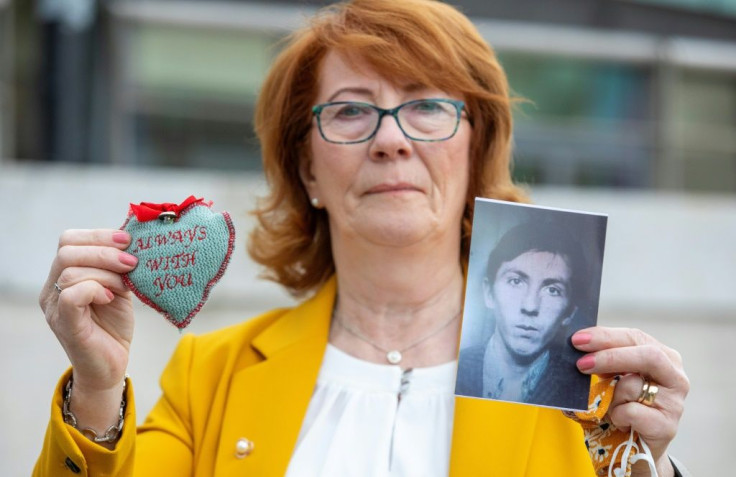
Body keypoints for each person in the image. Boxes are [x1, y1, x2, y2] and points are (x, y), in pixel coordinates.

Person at [34, 0, 690, 476]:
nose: (391, 139)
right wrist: (95, 391)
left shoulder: (581, 388)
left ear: (475, 148)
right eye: (350, 109)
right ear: (306, 168)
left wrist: (643, 466)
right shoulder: (212, 374)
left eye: (427, 105)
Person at [455, 221, 593, 410]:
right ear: (489, 293)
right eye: (516, 281)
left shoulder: (581, 392)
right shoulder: (452, 370)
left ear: (569, 312)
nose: (530, 306)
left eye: (552, 290)